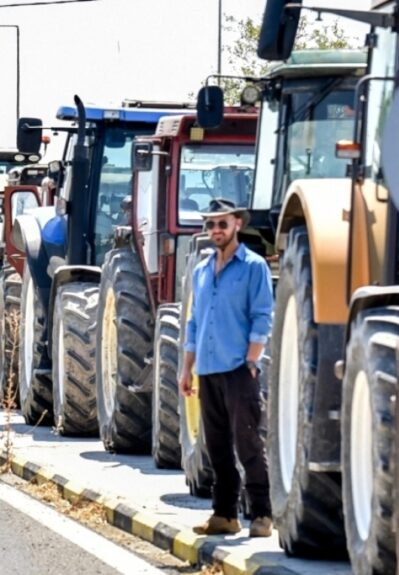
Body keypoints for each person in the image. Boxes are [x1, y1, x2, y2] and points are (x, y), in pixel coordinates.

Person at [180, 198, 274, 538]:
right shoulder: (202, 270)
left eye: (223, 223)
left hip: (238, 368)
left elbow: (263, 316)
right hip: (207, 369)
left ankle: (262, 515)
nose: (216, 230)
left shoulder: (253, 266)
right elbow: (193, 323)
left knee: (248, 442)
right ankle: (224, 515)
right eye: (211, 225)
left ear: (237, 224)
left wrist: (252, 360)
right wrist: (186, 368)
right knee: (216, 445)